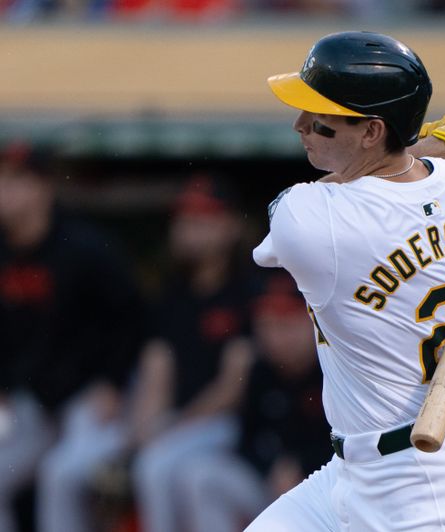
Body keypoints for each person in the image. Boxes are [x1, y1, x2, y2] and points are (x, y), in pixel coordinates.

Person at [247, 31, 445, 531]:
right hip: (349, 477)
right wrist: (439, 151)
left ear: (373, 131)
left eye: (320, 118)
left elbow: (331, 203)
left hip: (429, 493)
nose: (300, 125)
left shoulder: (310, 220)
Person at [0, 141, 144, 532]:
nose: (4, 191)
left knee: (60, 477)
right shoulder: (5, 252)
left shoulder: (84, 248)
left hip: (94, 397)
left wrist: (113, 382)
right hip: (35, 401)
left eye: (16, 181)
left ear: (43, 188)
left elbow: (132, 318)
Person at [127, 175, 258, 532]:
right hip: (181, 423)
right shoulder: (173, 293)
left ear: (230, 226)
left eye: (203, 220)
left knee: (162, 468)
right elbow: (157, 365)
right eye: (185, 220)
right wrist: (144, 428)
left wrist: (171, 427)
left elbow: (233, 388)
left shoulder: (247, 289)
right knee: (148, 461)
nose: (191, 230)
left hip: (230, 422)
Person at [179, 270, 331, 532]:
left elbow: (349, 444)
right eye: (267, 324)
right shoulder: (261, 371)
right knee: (201, 476)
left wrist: (304, 466)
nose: (275, 336)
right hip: (270, 484)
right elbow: (246, 441)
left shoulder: (332, 370)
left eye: (285, 324)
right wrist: (271, 464)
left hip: (326, 491)